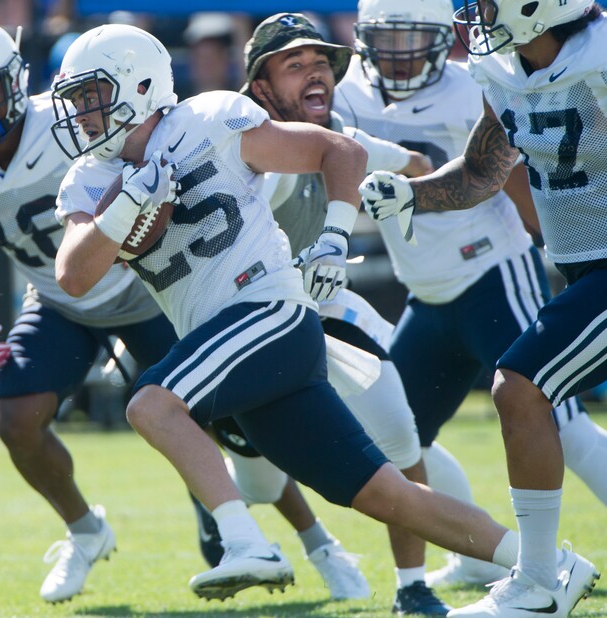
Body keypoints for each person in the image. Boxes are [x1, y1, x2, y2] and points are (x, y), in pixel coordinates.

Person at [51, 22, 596, 614]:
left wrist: (334, 237)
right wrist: (125, 206)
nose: (82, 113)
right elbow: (74, 275)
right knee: (387, 494)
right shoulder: (88, 180)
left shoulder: (207, 120)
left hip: (268, 311)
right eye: (77, 99)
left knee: (150, 403)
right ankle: (550, 566)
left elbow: (340, 150)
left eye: (91, 96)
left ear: (137, 84)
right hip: (234, 342)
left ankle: (245, 541)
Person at [0, 16, 262, 606]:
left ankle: (316, 541)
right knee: (16, 421)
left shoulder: (70, 116)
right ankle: (85, 530)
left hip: (146, 290)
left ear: (15, 80)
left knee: (226, 421)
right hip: (58, 300)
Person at [336, 0, 607, 589]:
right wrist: (414, 195)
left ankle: (537, 580)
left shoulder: (601, 57)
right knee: (454, 411)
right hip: (575, 272)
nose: (476, 15)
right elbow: (483, 171)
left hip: (535, 269)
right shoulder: (505, 72)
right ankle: (519, 570)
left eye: (485, 3)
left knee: (527, 391)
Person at [228, 11, 454, 615]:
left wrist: (424, 175)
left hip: (323, 310)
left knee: (400, 430)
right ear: (261, 87)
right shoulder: (246, 150)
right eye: (293, 64)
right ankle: (269, 530)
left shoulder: (337, 138)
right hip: (244, 326)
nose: (315, 74)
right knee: (256, 479)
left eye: (321, 62)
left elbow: (411, 161)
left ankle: (413, 584)